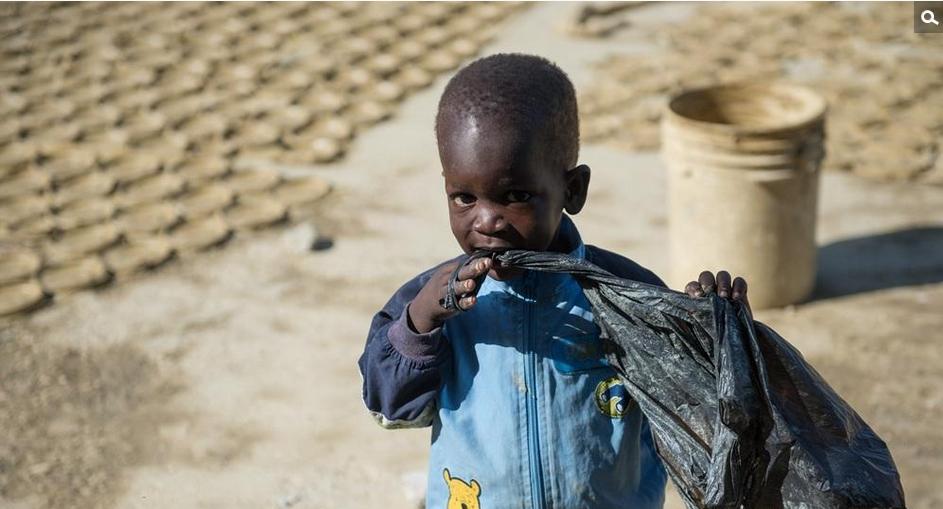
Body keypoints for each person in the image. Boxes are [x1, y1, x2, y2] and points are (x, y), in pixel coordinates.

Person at [358, 53, 749, 508]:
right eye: (464, 197)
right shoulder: (432, 303)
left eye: (515, 196)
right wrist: (420, 323)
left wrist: (717, 335)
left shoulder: (624, 294)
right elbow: (390, 410)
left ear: (572, 191)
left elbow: (701, 414)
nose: (487, 221)